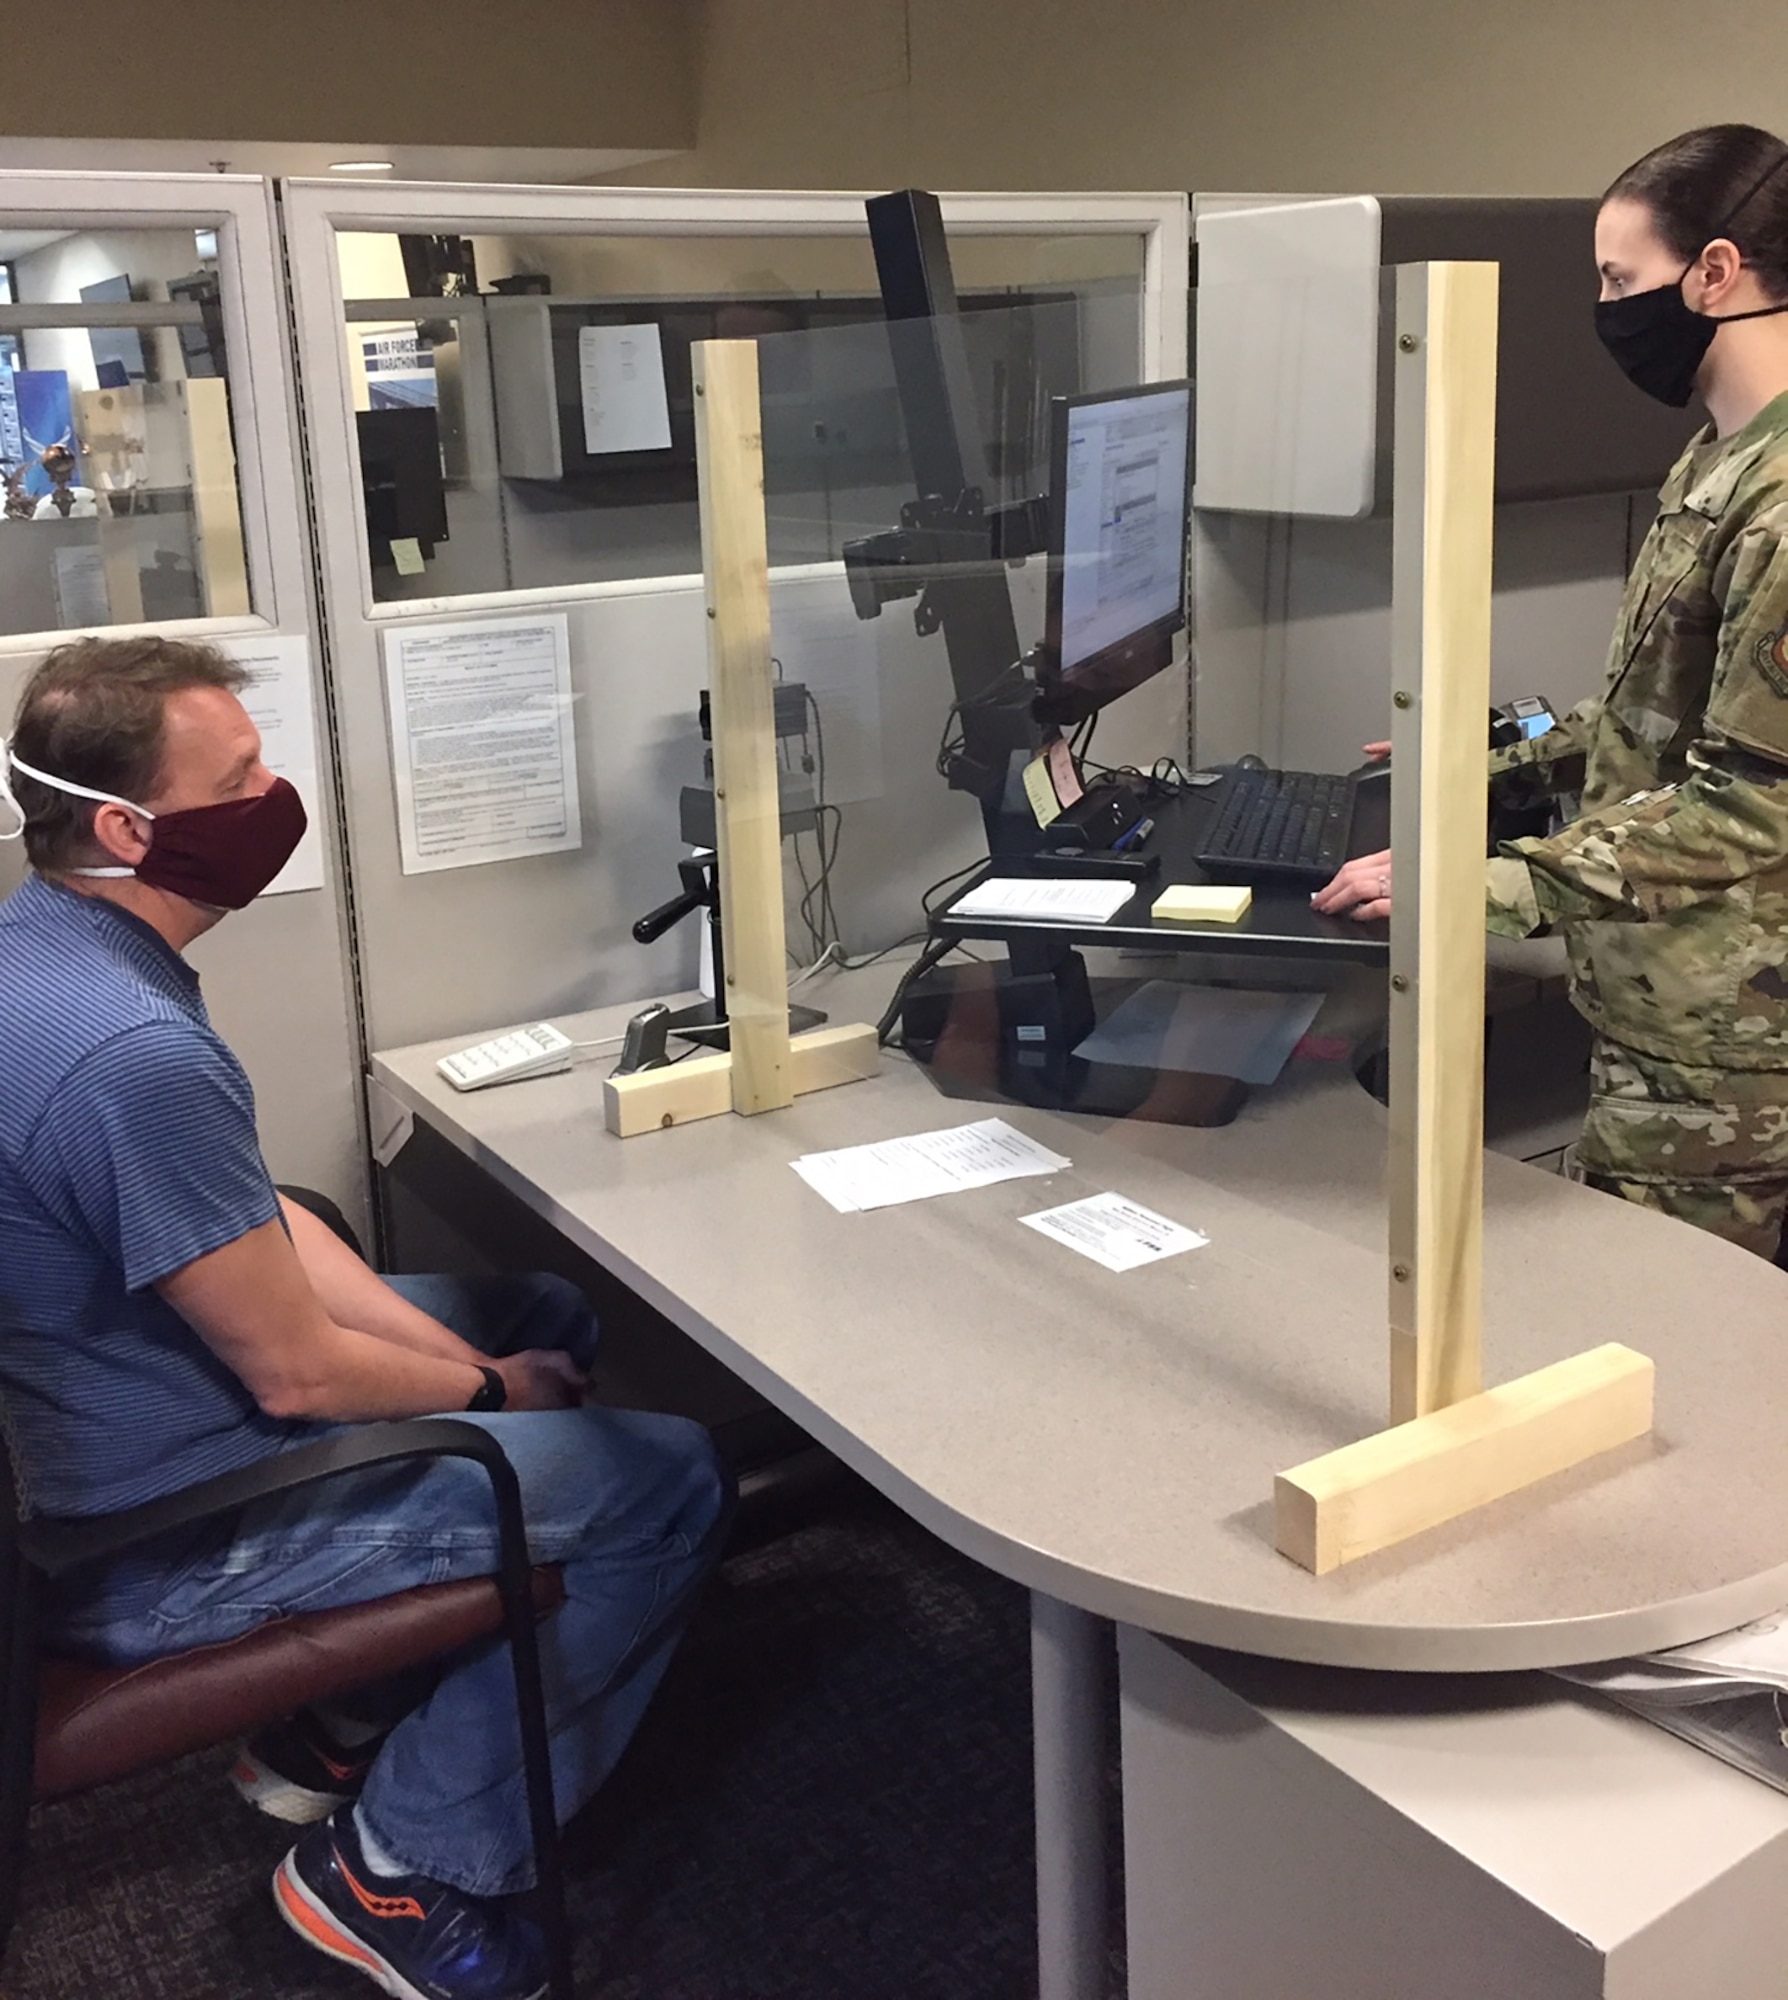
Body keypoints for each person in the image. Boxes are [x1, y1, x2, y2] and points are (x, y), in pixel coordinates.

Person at [0, 636, 731, 2000]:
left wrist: (479, 1356)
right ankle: (401, 1869)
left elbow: (253, 1232)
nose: (274, 796)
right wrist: (497, 1399)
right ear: (123, 825)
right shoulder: (125, 1050)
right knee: (666, 1483)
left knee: (542, 1302)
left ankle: (340, 1719)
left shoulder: (47, 948)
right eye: (240, 777)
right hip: (162, 1533)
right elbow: (295, 1374)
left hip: (151, 1407)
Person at [1315, 123, 1788, 1262]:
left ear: (1714, 273)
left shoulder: (1782, 509)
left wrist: (1478, 887)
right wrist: (1476, 761)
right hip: (1652, 994)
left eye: (1621, 278)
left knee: (1663, 1338)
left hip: (1725, 1038)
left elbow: (1749, 804)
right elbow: (1653, 721)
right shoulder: (1718, 453)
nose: (1607, 306)